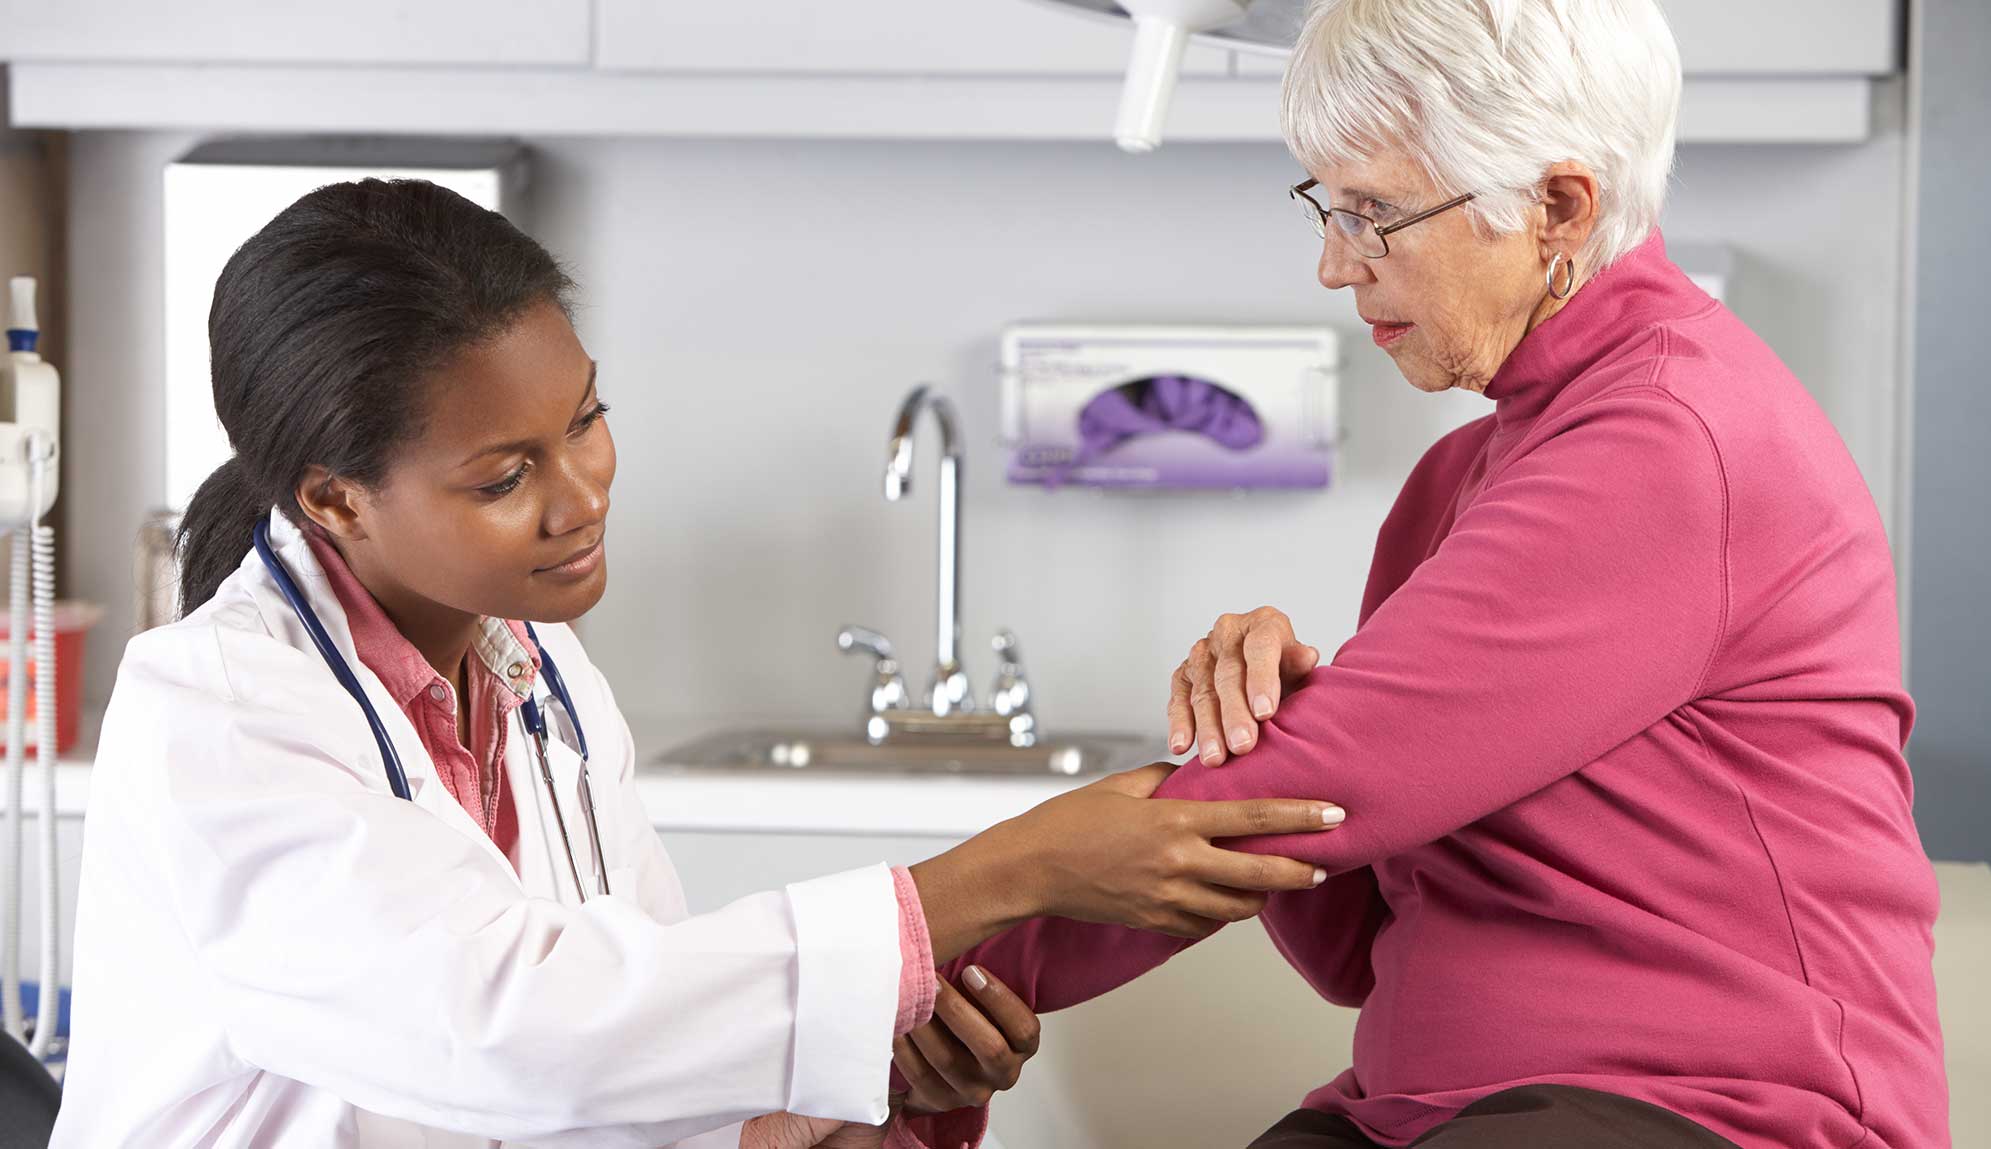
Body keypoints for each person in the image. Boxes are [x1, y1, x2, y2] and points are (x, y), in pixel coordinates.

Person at [51, 178, 1347, 1148]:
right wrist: (1015, 869)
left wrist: (861, 1088)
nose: (580, 497)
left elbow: (633, 1065)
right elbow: (518, 1035)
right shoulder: (217, 718)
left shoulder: (541, 681)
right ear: (334, 501)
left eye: (588, 421)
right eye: (506, 475)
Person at [909, 1, 1949, 1147]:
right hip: (1429, 1109)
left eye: (1373, 214)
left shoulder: (1666, 438)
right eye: (1326, 205)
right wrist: (1268, 724)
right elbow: (1346, 928)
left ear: (1556, 208)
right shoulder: (1463, 473)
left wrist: (916, 977)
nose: (1329, 265)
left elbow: (1300, 804)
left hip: (1718, 1113)